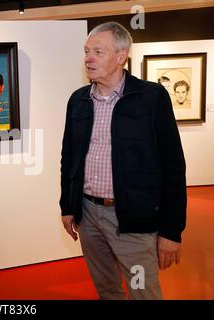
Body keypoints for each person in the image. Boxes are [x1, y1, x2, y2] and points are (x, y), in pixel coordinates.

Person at [60, 22, 186, 300]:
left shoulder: (152, 98)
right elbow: (68, 158)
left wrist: (171, 231)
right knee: (107, 290)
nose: (88, 58)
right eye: (86, 51)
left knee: (143, 293)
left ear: (121, 56)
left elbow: (173, 167)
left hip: (133, 219)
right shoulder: (78, 100)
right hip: (88, 215)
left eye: (98, 51)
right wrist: (67, 206)